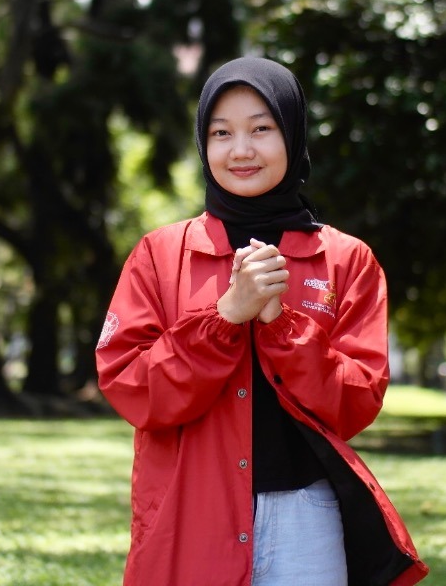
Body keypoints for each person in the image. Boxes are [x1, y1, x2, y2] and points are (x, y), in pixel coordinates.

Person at [96, 57, 428, 585]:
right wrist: (226, 315)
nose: (241, 150)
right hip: (189, 513)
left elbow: (356, 402)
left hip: (307, 518)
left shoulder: (347, 260)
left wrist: (281, 324)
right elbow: (131, 388)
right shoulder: (159, 255)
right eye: (221, 132)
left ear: (292, 134)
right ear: (203, 143)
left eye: (261, 129)